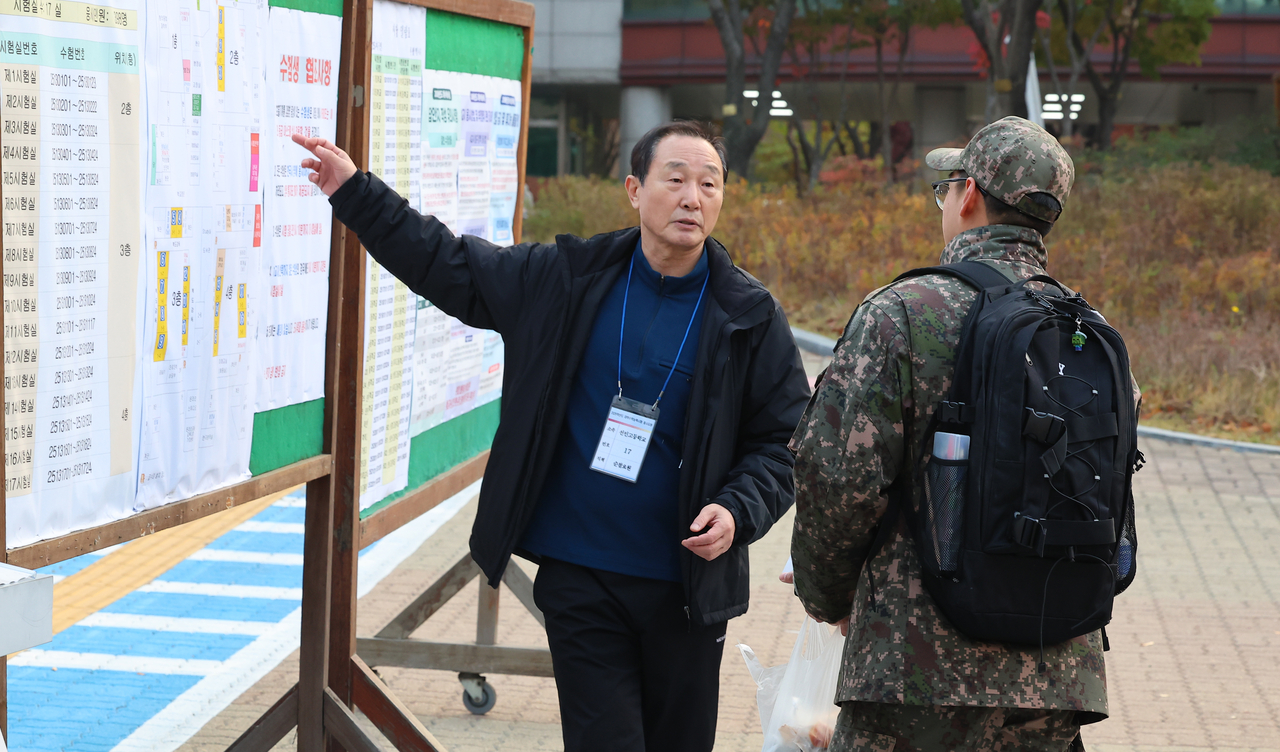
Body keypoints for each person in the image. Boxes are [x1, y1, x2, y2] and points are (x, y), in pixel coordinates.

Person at [294, 121, 810, 752]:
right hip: (581, 578)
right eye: (674, 179)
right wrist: (356, 193)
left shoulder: (748, 315)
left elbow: (785, 441)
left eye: (709, 184)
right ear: (634, 188)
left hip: (685, 588)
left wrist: (738, 509)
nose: (692, 198)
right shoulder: (566, 279)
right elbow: (449, 264)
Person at [790, 117, 1130, 751]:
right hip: (1055, 673)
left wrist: (829, 596)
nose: (944, 199)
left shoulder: (902, 312)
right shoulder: (1088, 330)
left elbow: (837, 478)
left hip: (911, 668)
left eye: (946, 186)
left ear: (968, 193)